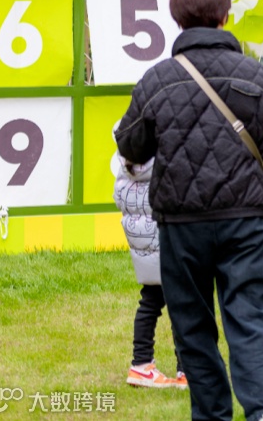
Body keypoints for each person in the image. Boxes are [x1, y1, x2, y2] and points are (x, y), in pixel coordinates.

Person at [115, 0, 263, 421]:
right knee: (250, 314)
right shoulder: (255, 73)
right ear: (225, 15)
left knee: (192, 323)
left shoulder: (158, 79)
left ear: (176, 18)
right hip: (244, 216)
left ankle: (212, 414)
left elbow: (131, 145)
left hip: (181, 223)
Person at [113, 156, 187, 390]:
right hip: (167, 233)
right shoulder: (167, 155)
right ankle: (187, 367)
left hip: (142, 238)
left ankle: (141, 363)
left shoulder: (126, 157)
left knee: (150, 300)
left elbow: (119, 197)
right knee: (183, 303)